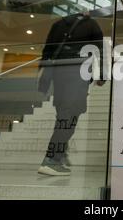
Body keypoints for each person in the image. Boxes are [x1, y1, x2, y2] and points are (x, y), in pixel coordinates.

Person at [37, 11, 104, 176]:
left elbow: (47, 51)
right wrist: (102, 75)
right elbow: (100, 51)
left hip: (59, 75)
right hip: (78, 75)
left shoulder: (58, 24)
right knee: (69, 117)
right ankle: (51, 159)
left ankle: (59, 155)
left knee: (63, 116)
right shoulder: (91, 24)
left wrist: (44, 78)